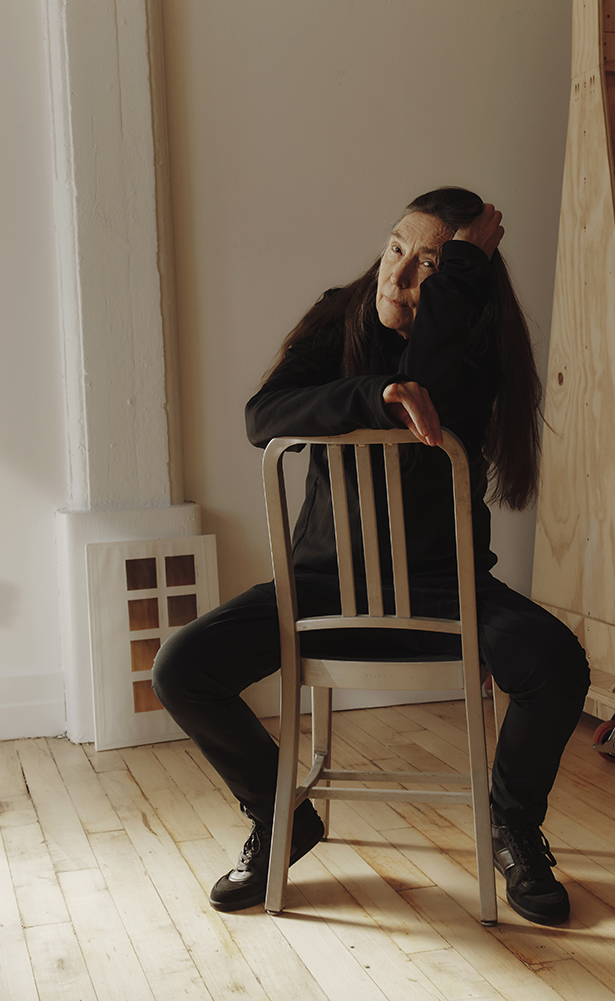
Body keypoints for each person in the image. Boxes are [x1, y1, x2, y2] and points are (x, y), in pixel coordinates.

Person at [152, 187, 590, 926]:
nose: (398, 276)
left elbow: (433, 389)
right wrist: (374, 394)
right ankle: (281, 815)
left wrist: (461, 279)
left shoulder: (472, 344)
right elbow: (264, 416)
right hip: (321, 589)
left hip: (446, 590)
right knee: (180, 668)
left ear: (462, 279)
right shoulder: (341, 316)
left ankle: (510, 824)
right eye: (395, 249)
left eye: (430, 265)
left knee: (557, 665)